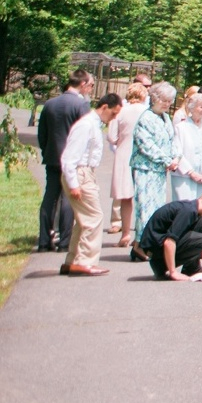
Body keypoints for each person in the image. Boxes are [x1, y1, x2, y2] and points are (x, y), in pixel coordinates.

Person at [59, 92, 123, 277]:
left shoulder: (93, 124)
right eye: (113, 113)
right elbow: (69, 157)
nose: (114, 118)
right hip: (79, 173)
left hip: (86, 173)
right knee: (94, 217)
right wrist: (73, 184)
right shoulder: (85, 125)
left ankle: (73, 261)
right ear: (104, 107)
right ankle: (84, 262)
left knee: (84, 220)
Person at [35, 69, 92, 252]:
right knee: (69, 198)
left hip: (52, 156)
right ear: (82, 84)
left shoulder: (50, 104)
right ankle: (64, 241)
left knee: (50, 197)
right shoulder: (81, 105)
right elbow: (87, 135)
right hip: (73, 159)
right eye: (89, 85)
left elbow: (42, 133)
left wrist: (47, 150)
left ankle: (44, 241)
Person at [136, 191, 202, 280]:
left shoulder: (191, 207)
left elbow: (190, 245)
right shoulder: (188, 211)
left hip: (159, 247)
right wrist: (173, 272)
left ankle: (192, 268)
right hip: (156, 254)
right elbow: (169, 241)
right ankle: (165, 266)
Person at [130, 82, 178, 235]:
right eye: (163, 100)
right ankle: (141, 240)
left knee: (157, 208)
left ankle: (151, 239)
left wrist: (176, 157)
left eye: (169, 101)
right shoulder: (146, 118)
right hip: (145, 168)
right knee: (145, 207)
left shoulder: (165, 117)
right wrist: (166, 160)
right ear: (155, 99)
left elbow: (172, 139)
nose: (167, 104)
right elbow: (146, 145)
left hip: (160, 170)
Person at [170, 87, 202, 203]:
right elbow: (177, 152)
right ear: (192, 108)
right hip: (184, 178)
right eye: (201, 107)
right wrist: (191, 173)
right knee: (184, 208)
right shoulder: (181, 127)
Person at [108, 84, 144, 246]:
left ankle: (125, 234)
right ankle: (140, 234)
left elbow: (111, 137)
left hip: (123, 154)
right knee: (142, 197)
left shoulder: (121, 112)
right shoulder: (147, 111)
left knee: (125, 197)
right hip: (142, 155)